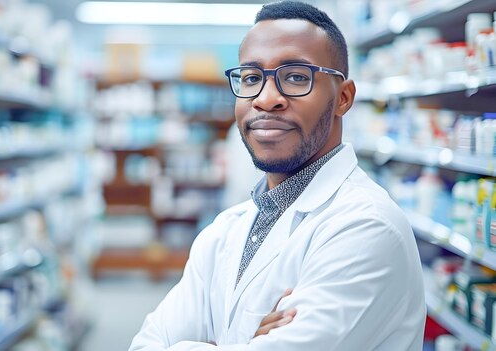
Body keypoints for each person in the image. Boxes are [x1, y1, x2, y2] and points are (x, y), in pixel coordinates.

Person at [129, 1, 426, 350]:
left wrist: (213, 343)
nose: (266, 99)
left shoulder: (368, 226)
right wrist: (245, 342)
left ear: (343, 98)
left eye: (297, 77)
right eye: (252, 78)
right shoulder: (225, 231)